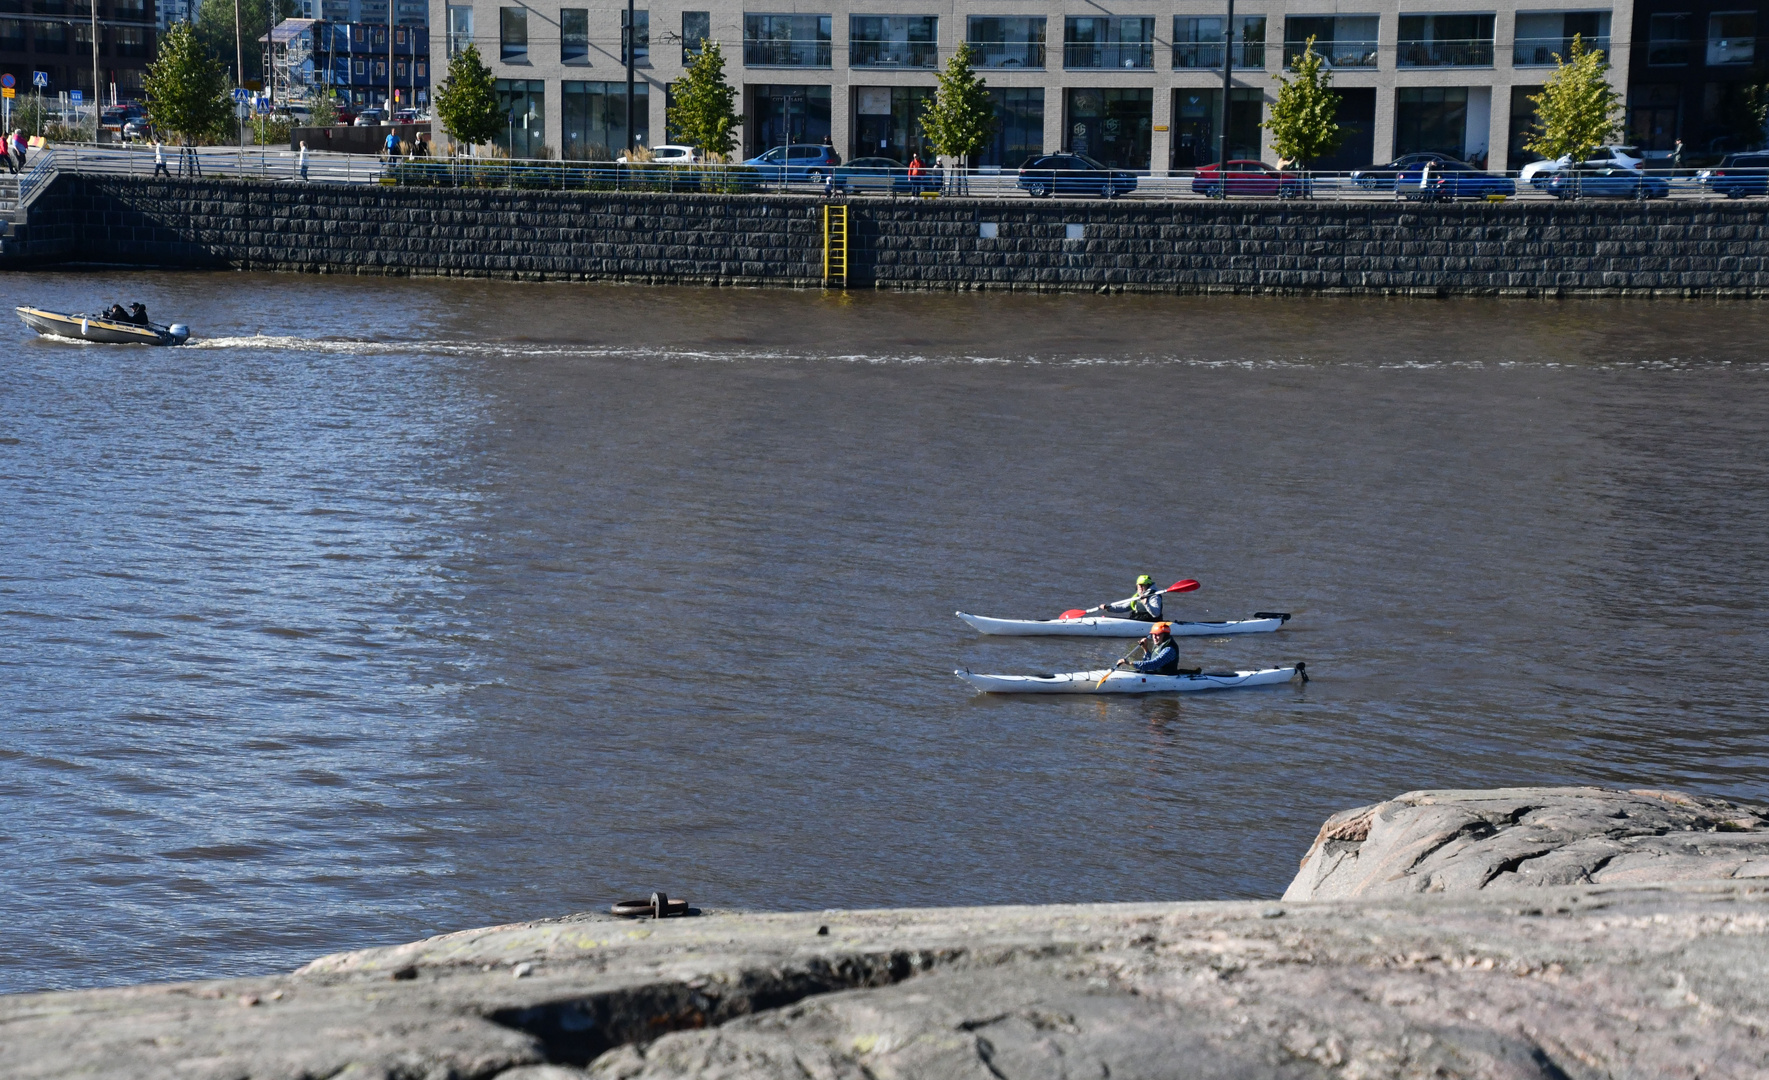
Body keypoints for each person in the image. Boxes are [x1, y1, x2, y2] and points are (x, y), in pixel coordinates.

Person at [1097, 574, 1163, 621]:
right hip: (1138, 619)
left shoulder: (1154, 596)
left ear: (1148, 586)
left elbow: (1156, 614)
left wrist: (1146, 604)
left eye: (1143, 585)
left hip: (1150, 622)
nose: (1140, 587)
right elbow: (1124, 607)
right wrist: (1108, 608)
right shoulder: (1138, 595)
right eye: (1139, 585)